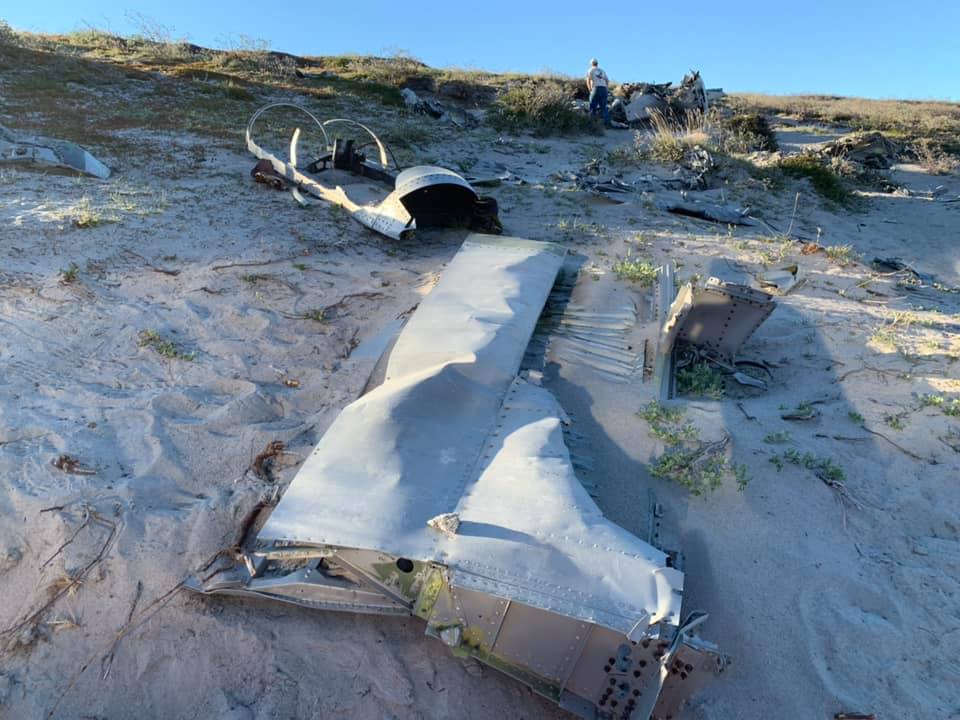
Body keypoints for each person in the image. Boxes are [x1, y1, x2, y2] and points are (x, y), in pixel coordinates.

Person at [586, 58, 611, 126]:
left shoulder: (590, 70)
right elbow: (607, 81)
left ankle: (591, 123)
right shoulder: (602, 70)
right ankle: (607, 124)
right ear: (597, 63)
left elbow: (588, 81)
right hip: (604, 89)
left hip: (596, 88)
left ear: (591, 64)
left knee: (592, 106)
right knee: (604, 107)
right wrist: (606, 88)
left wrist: (590, 90)